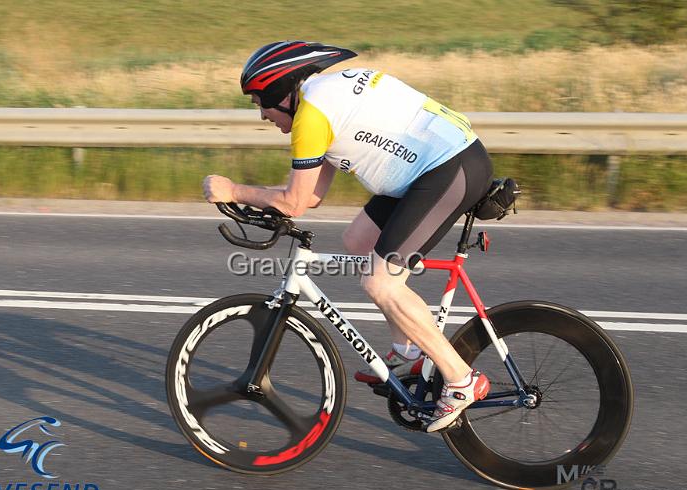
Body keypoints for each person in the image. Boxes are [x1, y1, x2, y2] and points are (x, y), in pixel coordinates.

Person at [203, 41, 492, 432]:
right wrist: (268, 202)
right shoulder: (322, 97)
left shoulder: (311, 117)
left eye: (260, 102)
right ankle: (408, 351)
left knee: (381, 283)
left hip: (447, 170)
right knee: (359, 242)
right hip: (432, 169)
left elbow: (296, 202)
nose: (262, 115)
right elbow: (314, 196)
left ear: (279, 93)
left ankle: (460, 380)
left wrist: (234, 190)